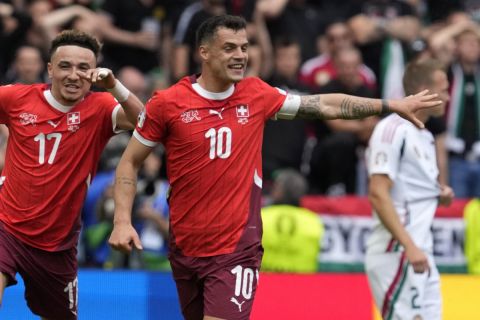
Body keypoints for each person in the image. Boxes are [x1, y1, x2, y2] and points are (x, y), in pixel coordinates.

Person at [109, 15, 441, 320]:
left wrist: (389, 105)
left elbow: (324, 104)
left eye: (244, 47)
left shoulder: (257, 94)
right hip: (185, 247)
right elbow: (130, 162)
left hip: (236, 248)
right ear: (204, 52)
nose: (240, 55)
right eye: (229, 48)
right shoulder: (168, 103)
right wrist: (122, 221)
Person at [0, 29, 143, 319]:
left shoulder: (101, 107)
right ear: (50, 68)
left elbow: (145, 122)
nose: (73, 75)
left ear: (94, 73)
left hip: (57, 244)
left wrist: (114, 86)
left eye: (83, 68)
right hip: (6, 227)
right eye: (65, 66)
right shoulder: (16, 98)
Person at [365, 59, 454, 320]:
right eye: (444, 89)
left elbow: (411, 192)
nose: (448, 97)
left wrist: (440, 194)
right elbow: (378, 193)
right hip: (398, 251)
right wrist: (409, 247)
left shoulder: (424, 135)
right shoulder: (391, 130)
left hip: (421, 250)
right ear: (425, 90)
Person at [261, 169, 323, 273]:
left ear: (280, 191)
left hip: (266, 283)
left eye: (275, 186)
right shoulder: (313, 221)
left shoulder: (261, 217)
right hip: (303, 284)